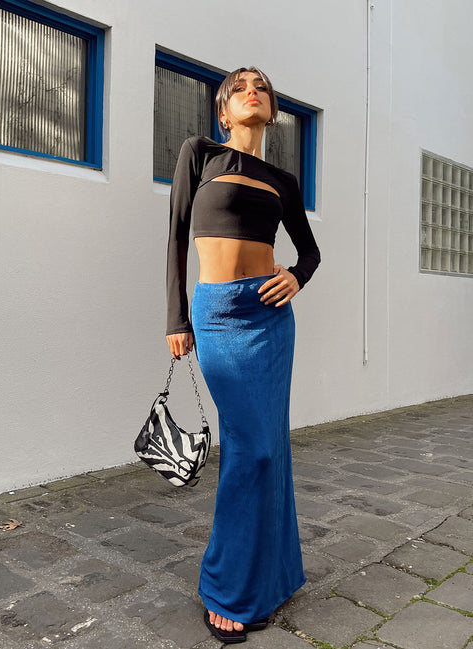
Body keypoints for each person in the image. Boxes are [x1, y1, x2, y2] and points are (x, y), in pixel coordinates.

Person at [165, 66, 320, 644]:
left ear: (271, 109)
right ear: (223, 110)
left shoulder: (283, 179)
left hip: (270, 316)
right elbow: (176, 236)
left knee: (268, 449)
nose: (251, 91)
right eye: (239, 87)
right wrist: (176, 318)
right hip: (220, 315)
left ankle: (270, 579)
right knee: (250, 450)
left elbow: (309, 251)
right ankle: (225, 589)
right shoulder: (200, 154)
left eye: (261, 86)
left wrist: (296, 277)